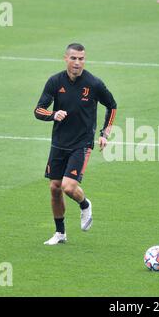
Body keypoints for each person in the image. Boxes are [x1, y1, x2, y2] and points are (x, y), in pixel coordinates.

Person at [34, 43, 117, 245]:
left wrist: (105, 132)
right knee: (54, 188)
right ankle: (60, 234)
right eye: (73, 58)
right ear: (66, 59)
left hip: (82, 143)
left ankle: (84, 203)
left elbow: (112, 106)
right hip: (59, 143)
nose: (77, 63)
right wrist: (53, 115)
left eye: (81, 59)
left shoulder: (94, 84)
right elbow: (38, 110)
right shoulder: (55, 82)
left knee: (68, 187)